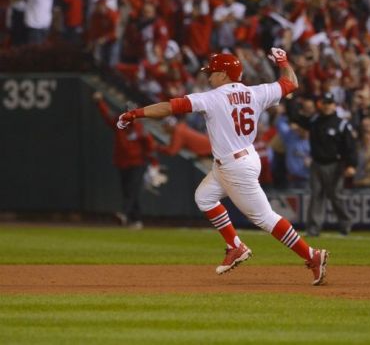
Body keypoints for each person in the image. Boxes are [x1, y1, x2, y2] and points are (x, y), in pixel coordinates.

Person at [116, 49, 329, 285]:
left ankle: (312, 255)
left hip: (235, 165)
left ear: (225, 75)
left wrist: (134, 114)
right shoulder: (256, 92)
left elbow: (168, 107)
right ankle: (234, 245)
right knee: (204, 197)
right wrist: (283, 62)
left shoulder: (212, 97)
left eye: (213, 72)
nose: (209, 78)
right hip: (243, 157)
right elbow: (291, 82)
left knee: (265, 218)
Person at [292, 92, 357, 237]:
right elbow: (296, 118)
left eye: (329, 103)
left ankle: (345, 224)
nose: (327, 106)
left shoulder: (341, 124)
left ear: (334, 105)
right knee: (316, 195)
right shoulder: (315, 121)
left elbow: (350, 146)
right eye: (325, 103)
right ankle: (313, 229)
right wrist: (292, 100)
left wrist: (351, 164)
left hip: (335, 164)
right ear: (321, 105)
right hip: (317, 164)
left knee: (336, 196)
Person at [93, 92, 158, 229]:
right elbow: (107, 115)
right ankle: (136, 219)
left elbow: (150, 146)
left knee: (132, 190)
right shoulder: (119, 124)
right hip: (122, 162)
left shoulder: (140, 129)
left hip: (138, 163)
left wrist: (153, 163)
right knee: (128, 191)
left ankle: (124, 214)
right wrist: (99, 102)